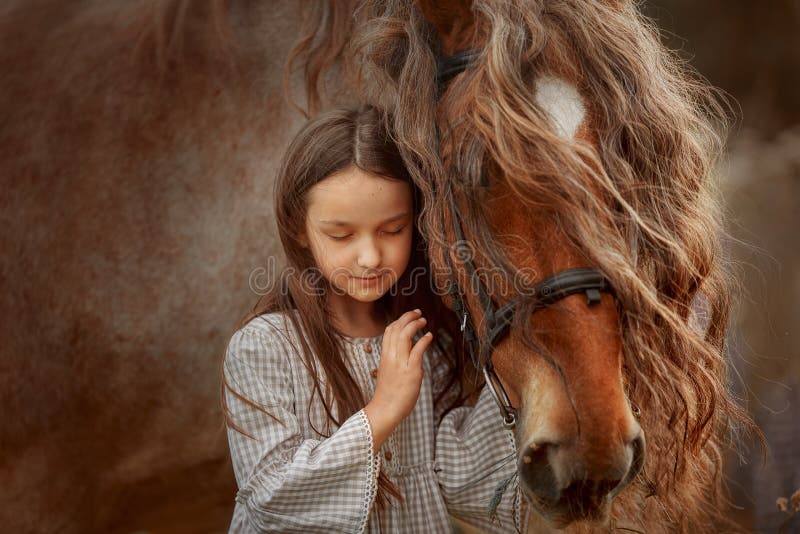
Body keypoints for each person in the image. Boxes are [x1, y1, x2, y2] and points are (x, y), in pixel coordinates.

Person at [221, 106, 526, 533]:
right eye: (341, 235)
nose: (370, 257)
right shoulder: (264, 347)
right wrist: (382, 409)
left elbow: (465, 487)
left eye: (392, 230)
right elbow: (272, 500)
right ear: (297, 230)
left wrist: (520, 369)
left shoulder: (420, 341)